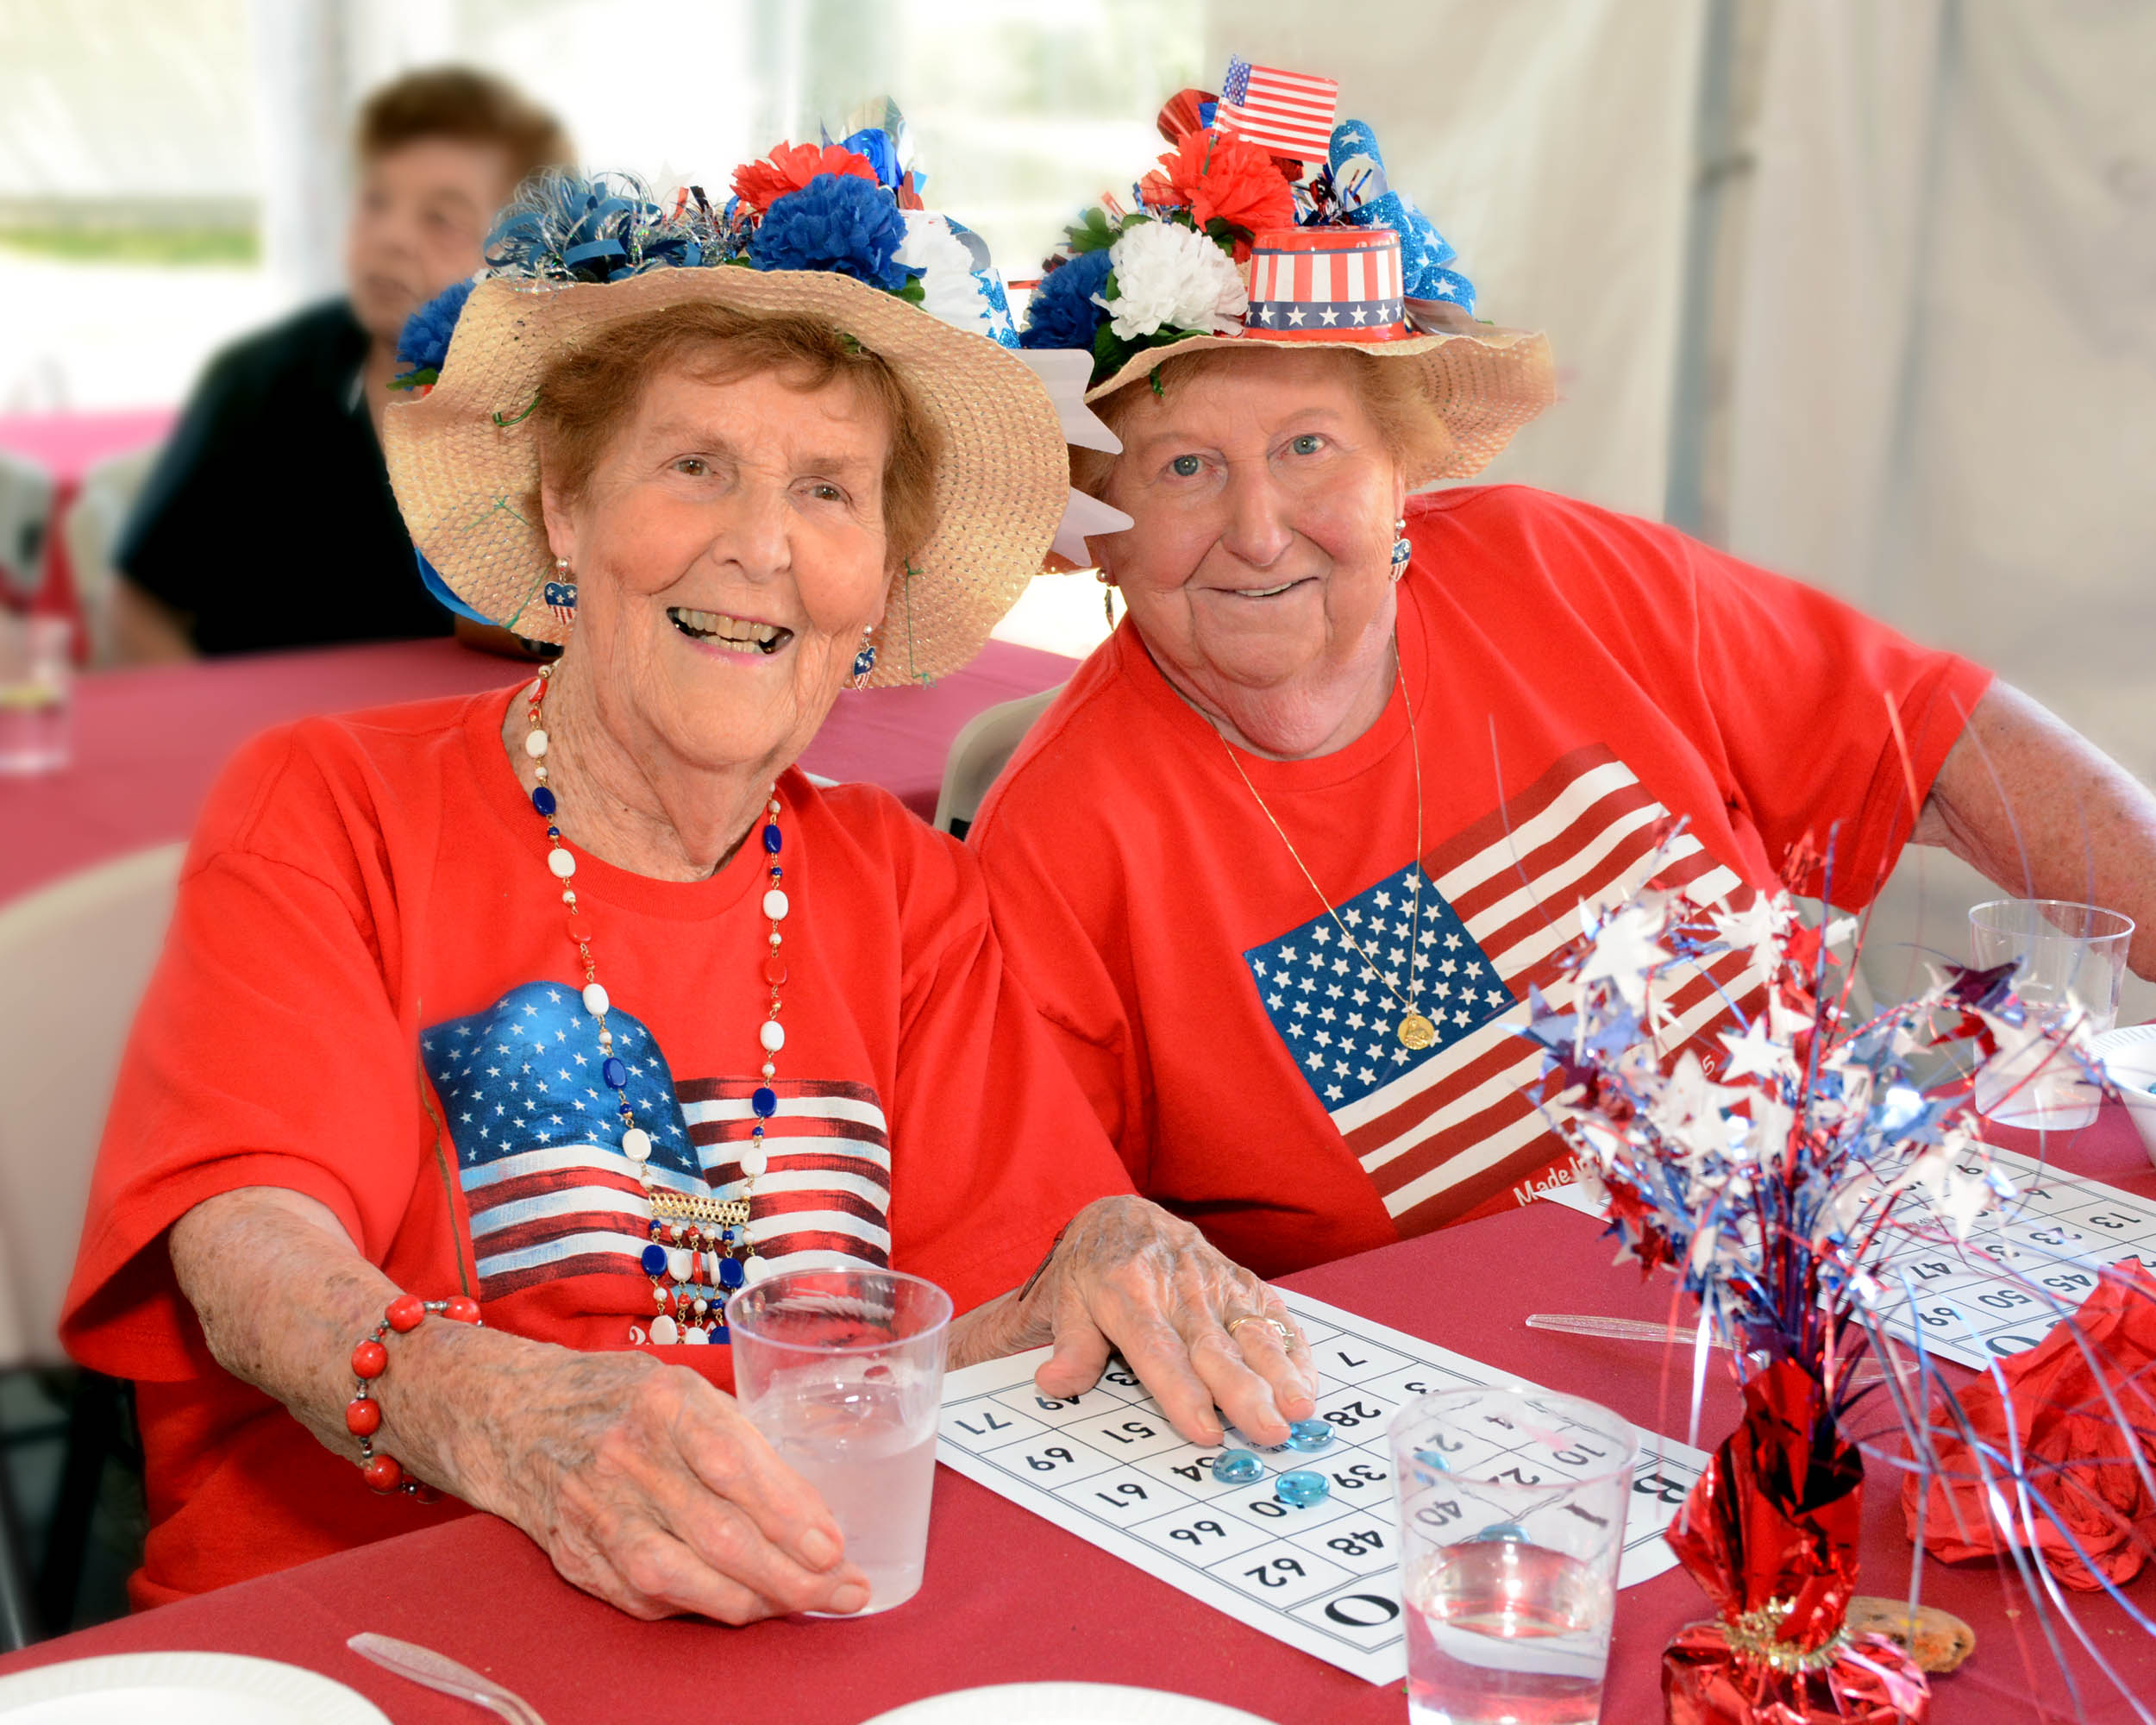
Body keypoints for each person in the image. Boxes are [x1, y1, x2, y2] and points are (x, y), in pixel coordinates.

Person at [60, 152, 1315, 1617]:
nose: (764, 546)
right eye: (694, 465)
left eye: (830, 491)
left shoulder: (909, 891)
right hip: (377, 1619)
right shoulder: (334, 805)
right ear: (562, 513)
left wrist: (1101, 1249)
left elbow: (996, 1321)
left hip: (793, 1614)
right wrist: (493, 1410)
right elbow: (244, 1240)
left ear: (880, 581)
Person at [973, 85, 2156, 1281]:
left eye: (1308, 448)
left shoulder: (1553, 569)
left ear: (1401, 477)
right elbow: (1057, 1246)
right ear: (1102, 537)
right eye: (1185, 468)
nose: (1262, 532)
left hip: (1818, 1276)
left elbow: (1939, 749)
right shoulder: (1057, 840)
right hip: (1437, 1413)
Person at [109, 67, 572, 660]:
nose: (391, 237)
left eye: (441, 219)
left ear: (525, 253)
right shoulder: (256, 384)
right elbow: (140, 603)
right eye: (376, 203)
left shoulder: (557, 404)